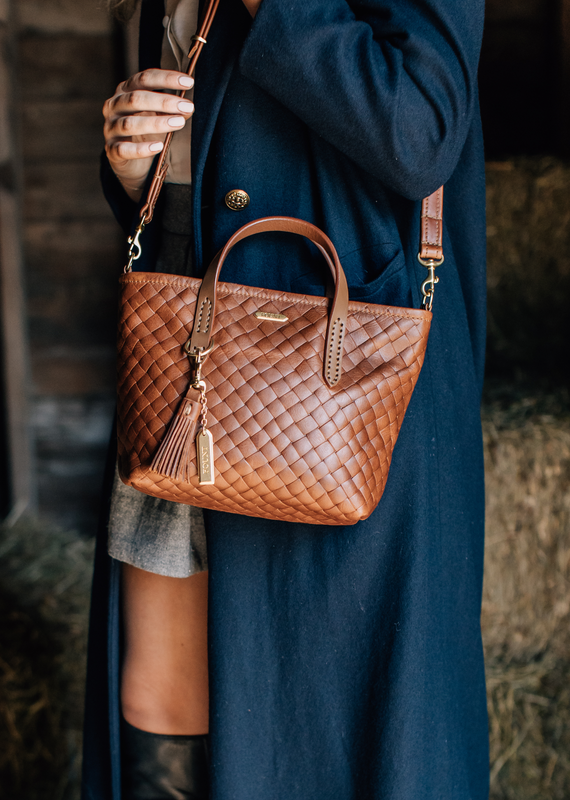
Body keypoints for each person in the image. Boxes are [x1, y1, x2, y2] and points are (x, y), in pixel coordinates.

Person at [83, 0, 489, 797]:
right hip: (188, 356)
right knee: (160, 705)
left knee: (339, 736)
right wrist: (138, 168)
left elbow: (421, 135)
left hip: (342, 389)